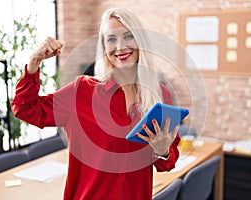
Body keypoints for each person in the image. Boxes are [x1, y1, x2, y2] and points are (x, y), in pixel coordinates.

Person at [11, 8, 180, 200]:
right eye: (111, 39)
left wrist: (162, 151)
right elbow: (25, 109)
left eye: (128, 36)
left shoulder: (160, 95)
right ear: (104, 47)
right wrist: (34, 62)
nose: (120, 46)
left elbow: (169, 162)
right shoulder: (81, 92)